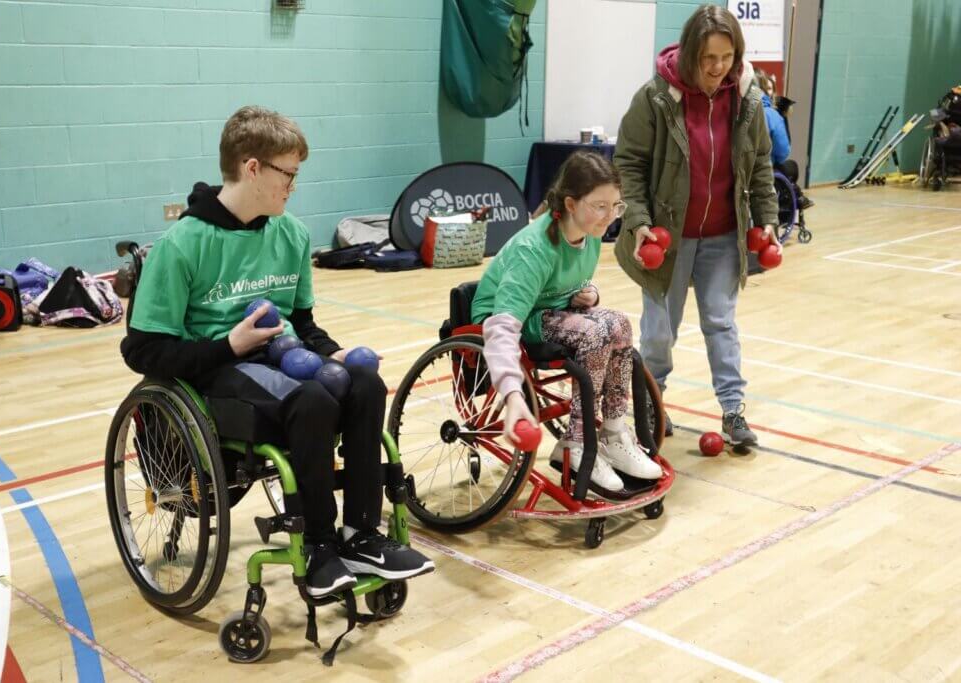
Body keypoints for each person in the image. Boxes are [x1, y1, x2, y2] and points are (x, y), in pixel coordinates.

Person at [121, 105, 433, 598]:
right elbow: (142, 350)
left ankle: (361, 535)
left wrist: (333, 352)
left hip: (279, 356)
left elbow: (303, 324)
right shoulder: (182, 244)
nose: (293, 185)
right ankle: (318, 546)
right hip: (215, 372)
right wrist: (230, 344)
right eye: (288, 174)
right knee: (311, 402)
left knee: (365, 384)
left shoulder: (292, 234)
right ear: (252, 168)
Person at [613, 4, 780, 448]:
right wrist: (640, 221)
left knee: (721, 323)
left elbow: (760, 162)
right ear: (689, 53)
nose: (717, 67)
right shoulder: (656, 97)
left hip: (724, 236)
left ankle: (733, 411)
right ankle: (652, 401)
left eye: (726, 57)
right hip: (667, 236)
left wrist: (767, 219)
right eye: (708, 58)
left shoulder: (745, 97)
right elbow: (628, 162)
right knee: (659, 331)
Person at [471, 151, 663, 498]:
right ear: (571, 204)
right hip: (509, 317)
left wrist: (587, 293)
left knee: (618, 323)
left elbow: (568, 282)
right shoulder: (533, 248)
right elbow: (501, 328)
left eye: (616, 206)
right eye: (600, 206)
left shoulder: (589, 235)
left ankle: (615, 432)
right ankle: (575, 442)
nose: (610, 217)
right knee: (594, 332)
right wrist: (512, 395)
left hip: (549, 309)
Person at [757, 70, 813, 210]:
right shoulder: (771, 115)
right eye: (767, 88)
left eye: (771, 88)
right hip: (762, 168)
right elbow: (783, 151)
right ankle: (795, 197)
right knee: (787, 166)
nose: (769, 92)